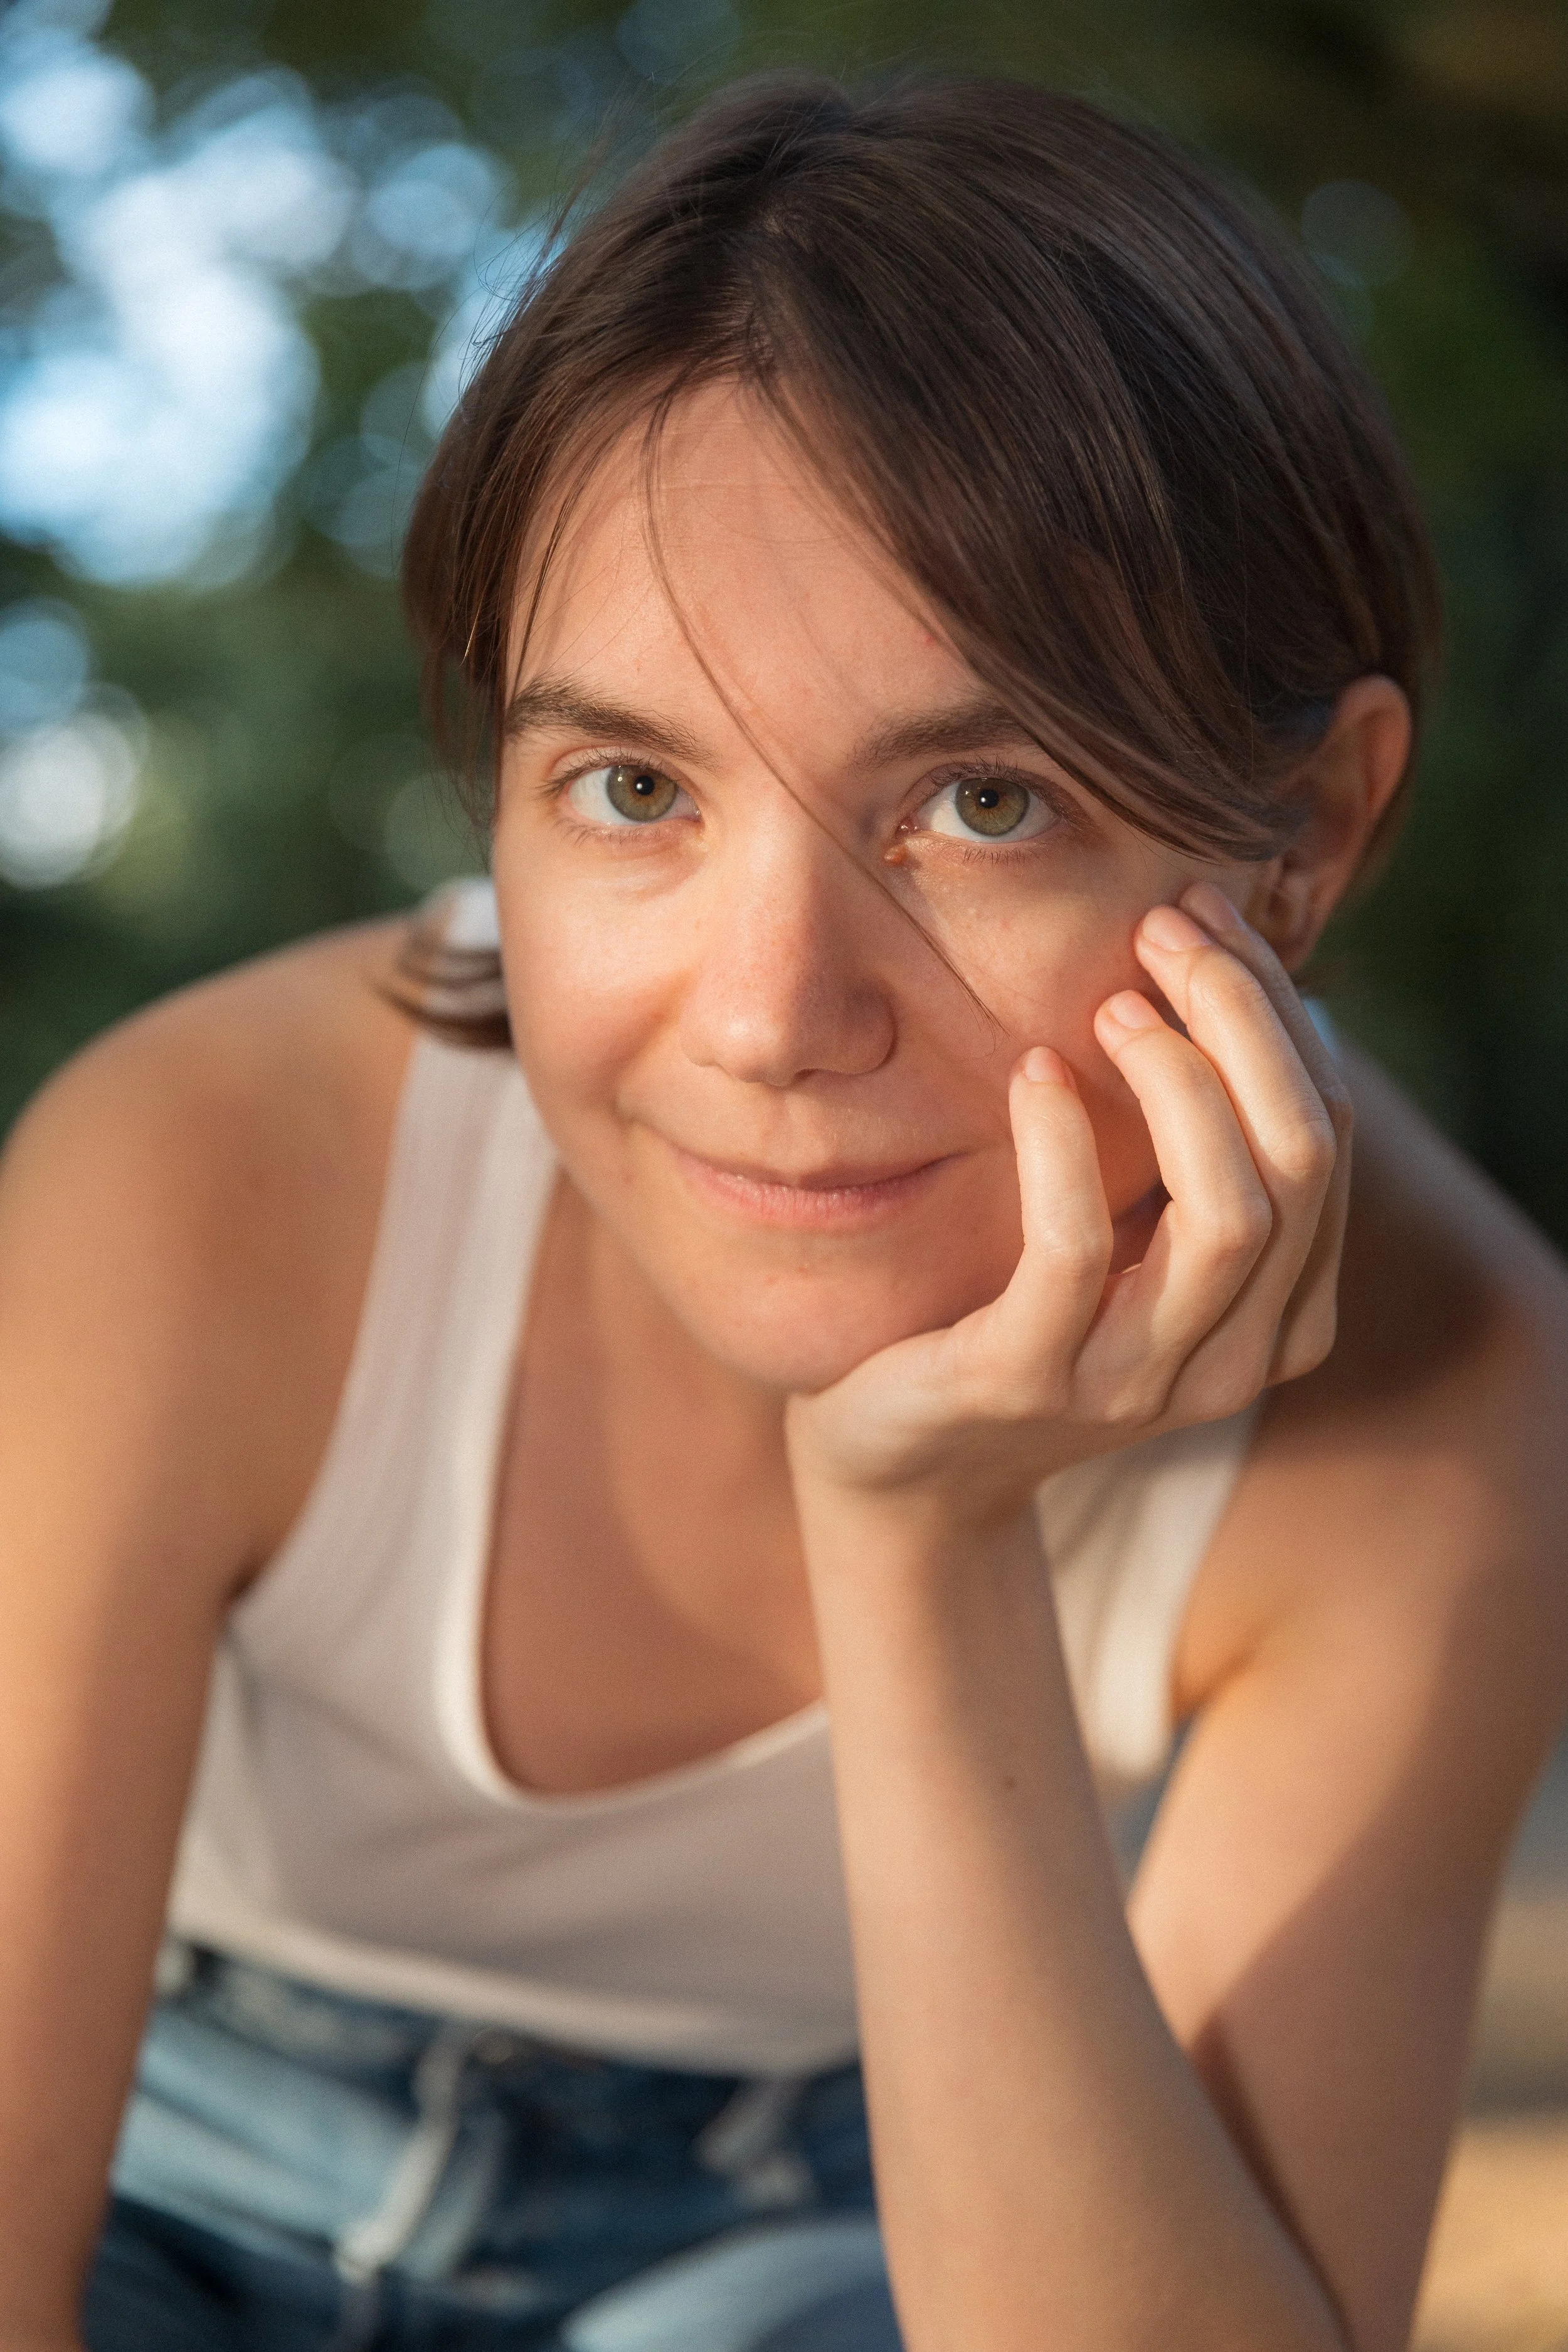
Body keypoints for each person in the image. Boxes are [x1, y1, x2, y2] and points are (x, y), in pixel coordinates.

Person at [1, 70, 1565, 2352]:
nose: (769, 1013)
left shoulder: (1449, 1399)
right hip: (149, 2142)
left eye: (980, 797)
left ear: (1306, 836)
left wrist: (917, 1537)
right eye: (630, 787)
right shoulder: (207, 1181)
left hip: (820, 2237)